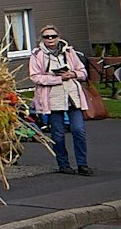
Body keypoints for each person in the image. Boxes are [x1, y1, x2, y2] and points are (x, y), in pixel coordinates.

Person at [30, 26, 91, 176]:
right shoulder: (37, 55)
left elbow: (83, 72)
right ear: (42, 39)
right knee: (58, 134)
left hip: (72, 97)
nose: (50, 39)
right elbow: (35, 77)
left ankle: (82, 164)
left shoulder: (69, 52)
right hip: (52, 99)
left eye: (53, 36)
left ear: (58, 36)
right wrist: (58, 78)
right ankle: (63, 164)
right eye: (46, 37)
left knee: (79, 131)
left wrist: (73, 73)